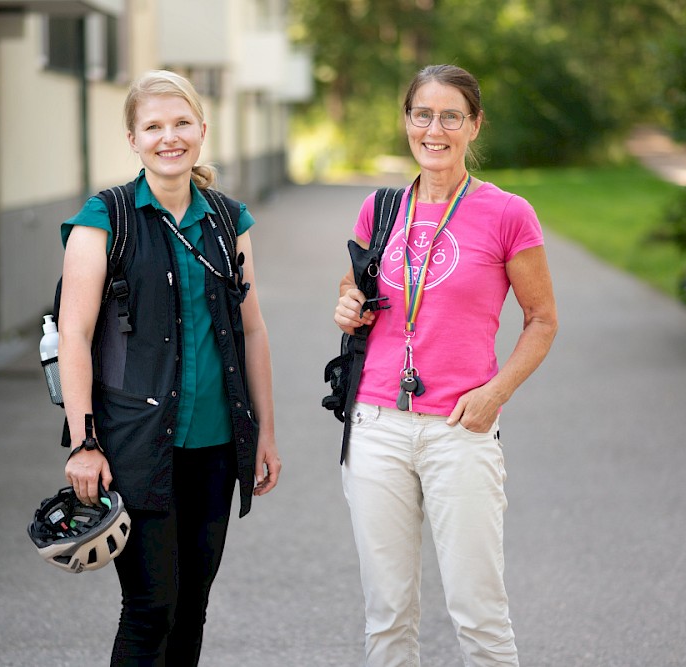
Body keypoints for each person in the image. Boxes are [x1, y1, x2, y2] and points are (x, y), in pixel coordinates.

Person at [333, 64, 558, 666]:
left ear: (474, 125)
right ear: (407, 121)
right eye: (422, 115)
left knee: (478, 613)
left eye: (450, 116)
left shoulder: (508, 213)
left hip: (462, 427)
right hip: (376, 424)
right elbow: (355, 290)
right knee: (387, 616)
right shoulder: (380, 208)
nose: (435, 129)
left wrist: (494, 394)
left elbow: (542, 320)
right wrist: (348, 304)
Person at [58, 69, 281, 666]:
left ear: (202, 131)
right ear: (132, 138)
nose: (169, 137)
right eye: (153, 126)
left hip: (215, 444)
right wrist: (84, 444)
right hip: (136, 445)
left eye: (181, 123)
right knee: (150, 606)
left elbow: (252, 329)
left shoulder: (230, 220)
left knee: (192, 606)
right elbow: (74, 337)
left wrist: (263, 433)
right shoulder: (103, 219)